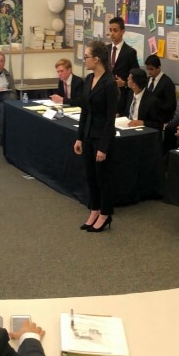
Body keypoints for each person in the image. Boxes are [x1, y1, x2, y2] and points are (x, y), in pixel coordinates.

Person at [74, 39, 118, 233]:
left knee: (103, 178)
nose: (84, 60)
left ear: (97, 59)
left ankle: (105, 213)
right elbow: (85, 111)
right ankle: (94, 209)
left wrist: (103, 146)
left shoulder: (109, 83)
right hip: (88, 134)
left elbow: (110, 119)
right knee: (90, 176)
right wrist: (79, 137)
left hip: (101, 137)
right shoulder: (88, 80)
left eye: (87, 57)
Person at [108, 17, 139, 115]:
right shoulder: (105, 50)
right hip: (107, 94)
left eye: (115, 30)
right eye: (110, 30)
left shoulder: (129, 52)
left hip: (122, 96)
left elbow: (136, 76)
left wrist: (124, 83)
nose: (112, 33)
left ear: (122, 31)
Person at [144, 54, 177, 122]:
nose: (149, 72)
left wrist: (154, 106)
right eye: (147, 69)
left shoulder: (167, 83)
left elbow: (170, 106)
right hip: (147, 114)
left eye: (151, 69)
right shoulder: (147, 80)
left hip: (160, 116)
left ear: (158, 68)